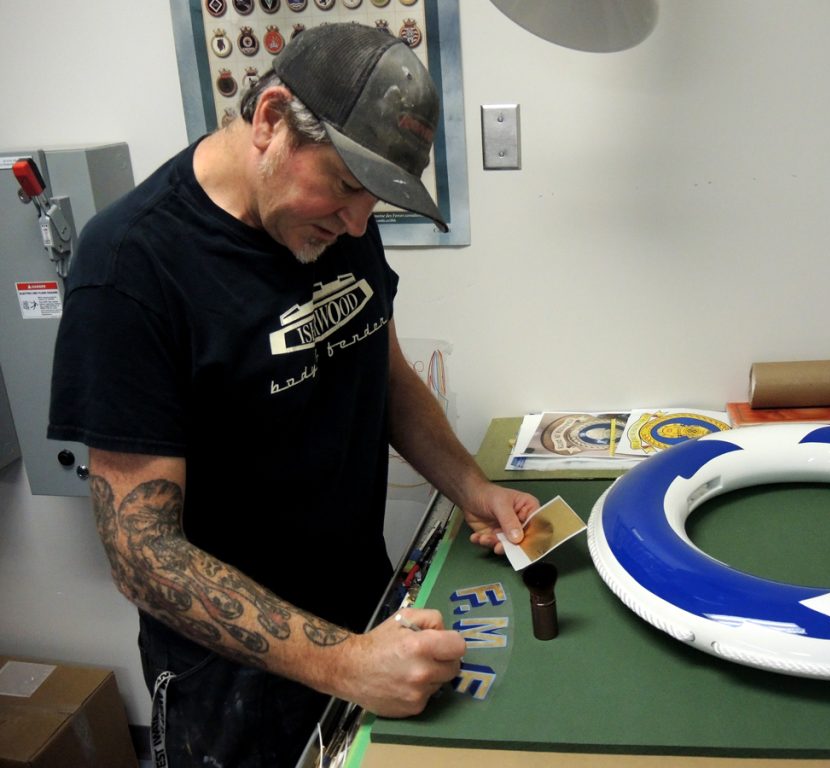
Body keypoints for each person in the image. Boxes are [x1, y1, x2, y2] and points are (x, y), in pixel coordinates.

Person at [48, 22, 538, 767]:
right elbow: (142, 555)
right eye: (343, 189)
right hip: (231, 684)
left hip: (366, 615)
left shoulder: (336, 220)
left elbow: (384, 371)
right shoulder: (130, 270)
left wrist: (471, 487)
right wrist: (343, 662)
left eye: (372, 204)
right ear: (271, 119)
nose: (355, 223)